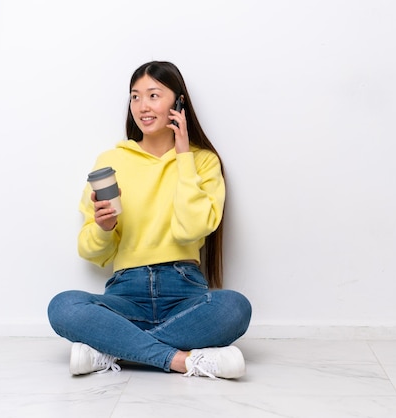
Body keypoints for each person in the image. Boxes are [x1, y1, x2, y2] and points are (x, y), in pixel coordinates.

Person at [48, 61, 252, 379]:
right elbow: (91, 252)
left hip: (184, 292)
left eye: (154, 95)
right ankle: (184, 361)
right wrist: (104, 229)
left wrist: (183, 155)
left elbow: (191, 229)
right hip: (125, 293)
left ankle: (111, 349)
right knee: (63, 306)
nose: (143, 106)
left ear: (178, 103)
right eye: (135, 97)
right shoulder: (111, 161)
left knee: (235, 308)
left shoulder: (203, 161)